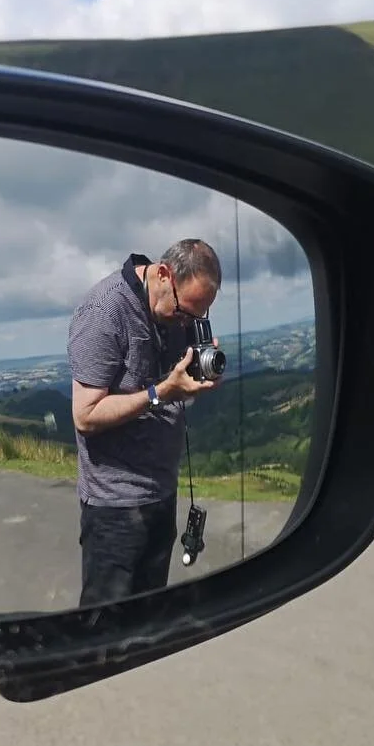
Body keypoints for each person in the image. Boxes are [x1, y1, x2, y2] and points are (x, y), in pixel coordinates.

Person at [67, 238, 224, 607]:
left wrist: (196, 380)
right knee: (103, 628)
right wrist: (159, 393)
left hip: (162, 495)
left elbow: (176, 386)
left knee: (146, 623)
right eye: (184, 313)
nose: (186, 324)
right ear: (164, 274)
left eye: (197, 318)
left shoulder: (173, 310)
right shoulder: (104, 311)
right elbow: (85, 415)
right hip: (114, 507)